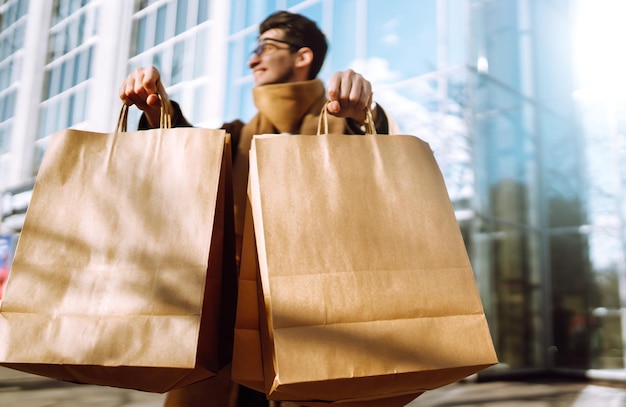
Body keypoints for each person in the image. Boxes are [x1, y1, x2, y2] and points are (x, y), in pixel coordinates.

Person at [119, 10, 391, 407]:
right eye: (253, 49)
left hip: (322, 332)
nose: (252, 59)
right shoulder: (237, 135)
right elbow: (191, 158)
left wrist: (362, 116)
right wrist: (159, 111)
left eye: (266, 47)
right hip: (230, 340)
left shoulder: (341, 124)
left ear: (303, 58)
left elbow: (377, 167)